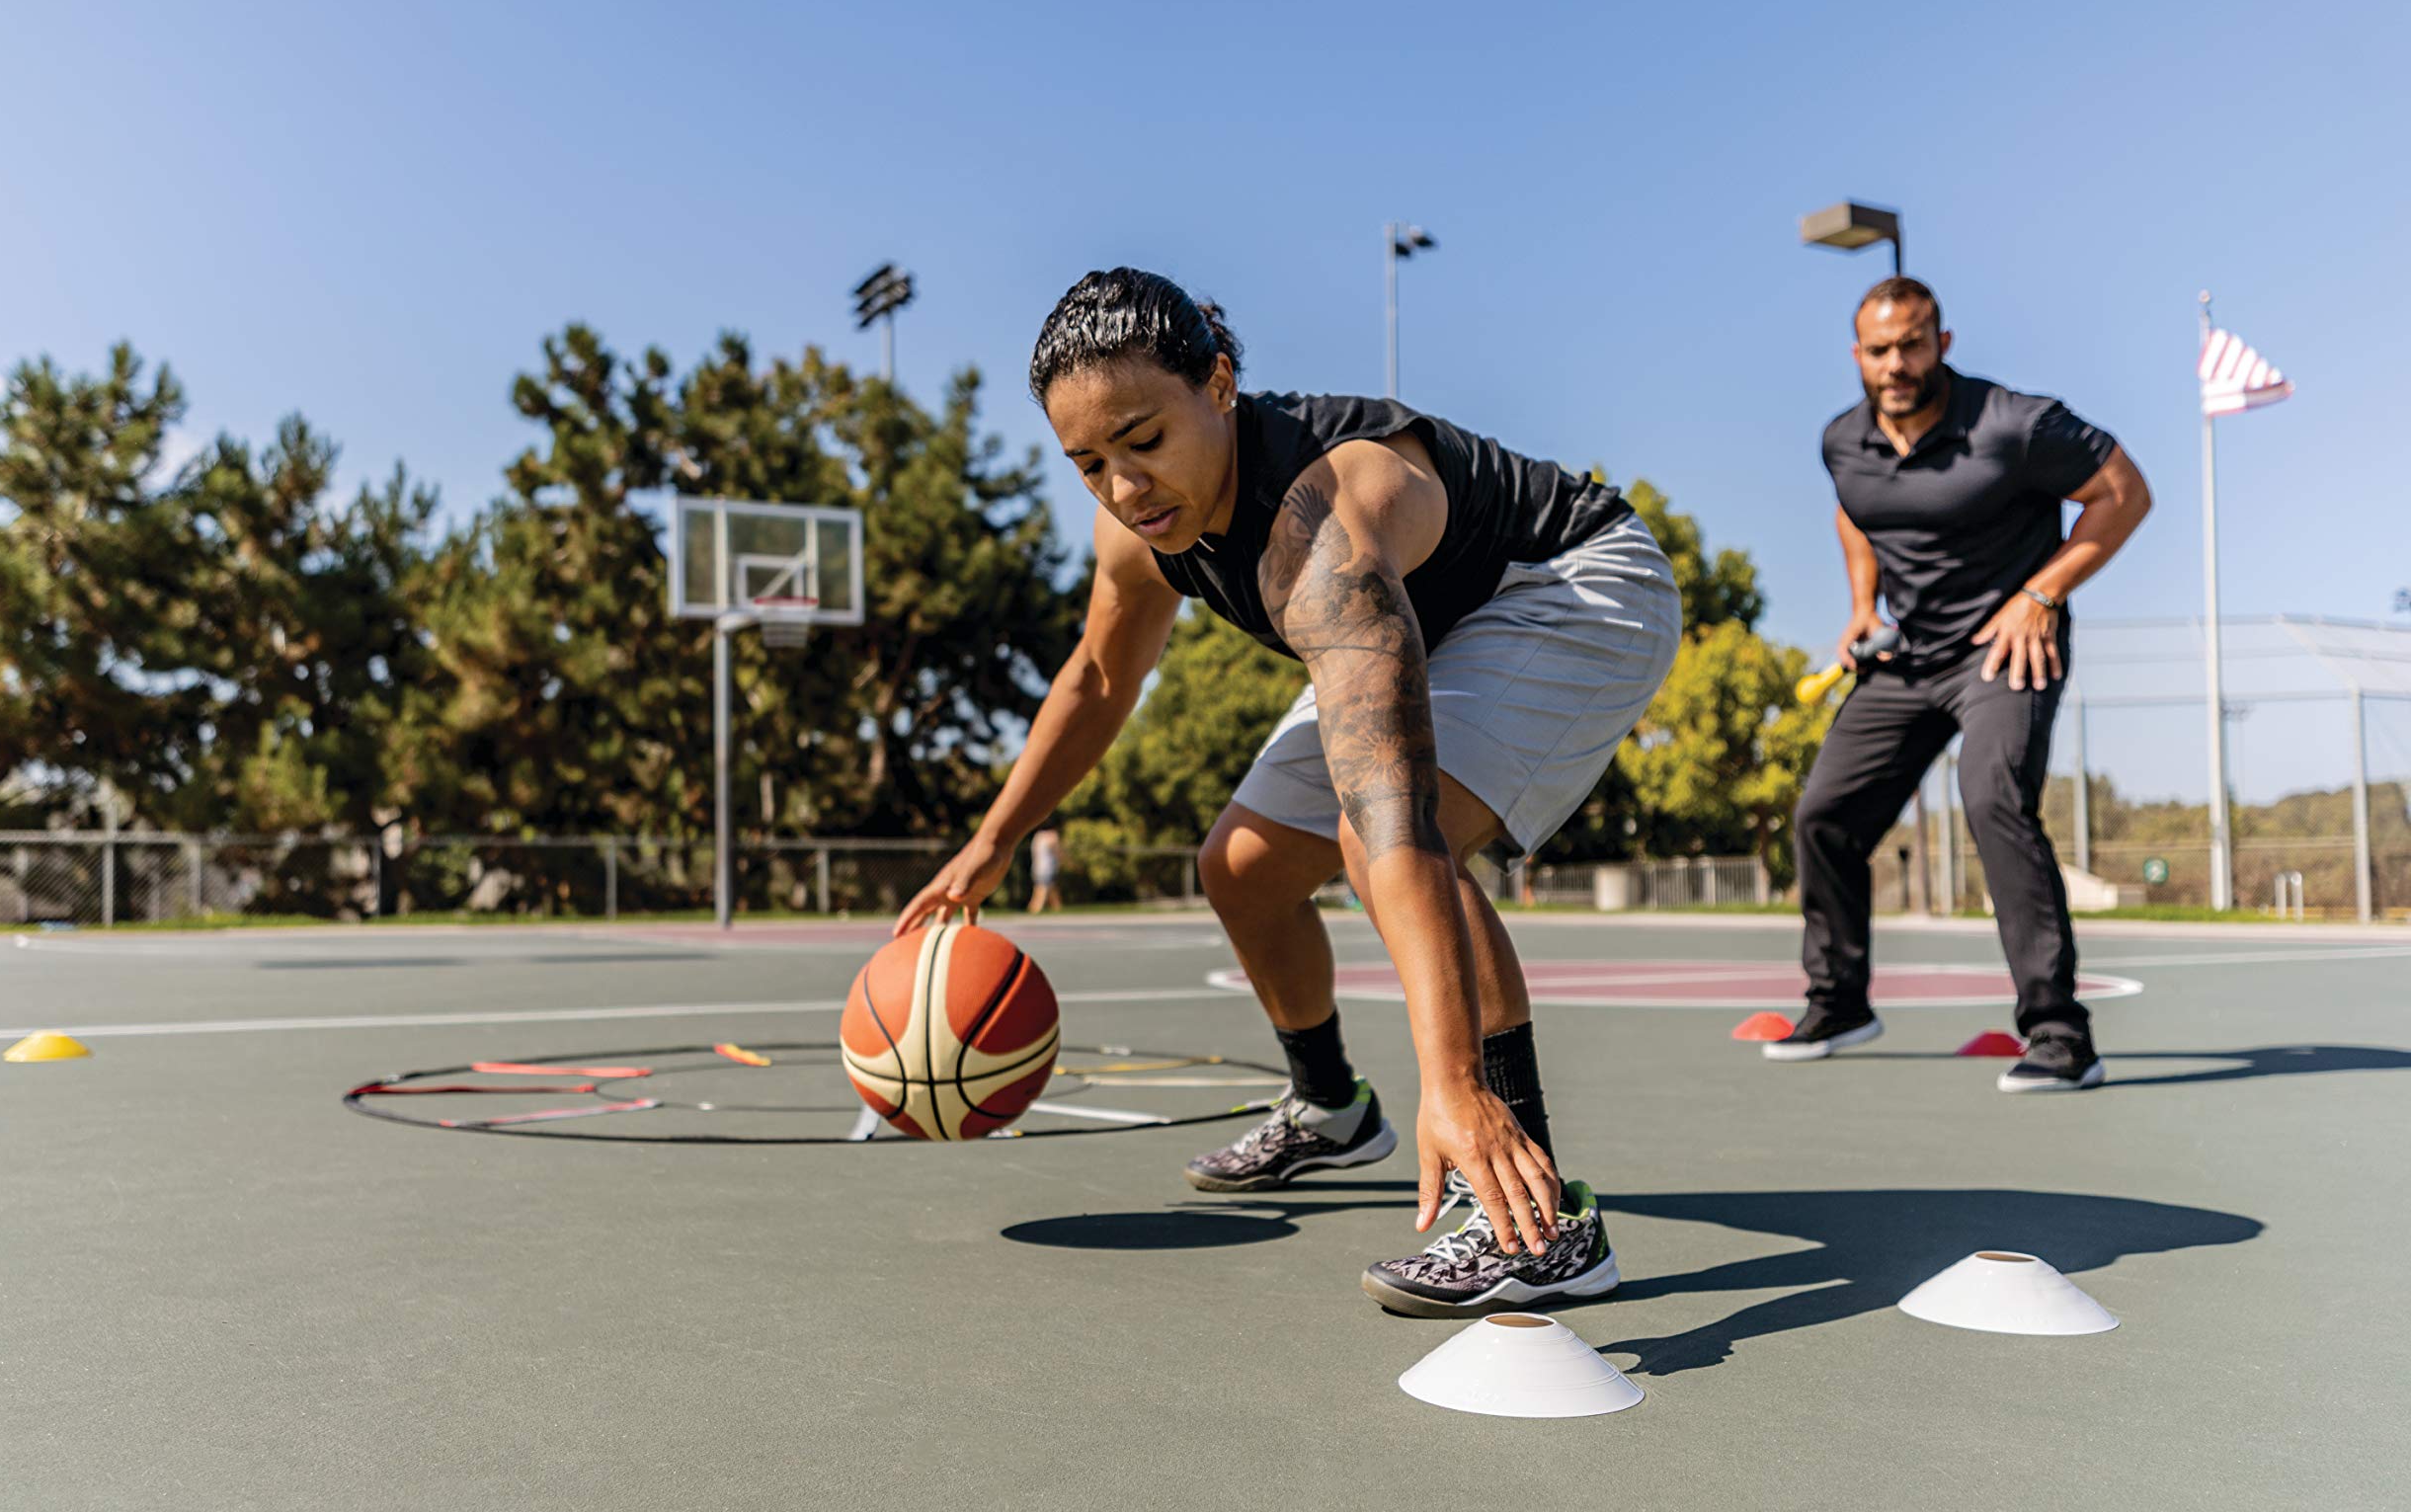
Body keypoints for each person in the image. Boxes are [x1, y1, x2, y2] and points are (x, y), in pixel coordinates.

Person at [895, 269, 1679, 1314]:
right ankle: (1332, 1109)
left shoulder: (1325, 527)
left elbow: (1395, 821)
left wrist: (1451, 1084)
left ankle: (1540, 1224)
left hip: (1568, 589)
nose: (1124, 488)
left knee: (1380, 838)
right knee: (1242, 868)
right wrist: (994, 839)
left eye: (1143, 439)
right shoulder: (1138, 533)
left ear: (1217, 383)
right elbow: (1096, 677)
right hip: (1413, 628)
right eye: (1088, 463)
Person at [1772, 277, 2153, 1092]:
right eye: (1880, 350)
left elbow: (2124, 493)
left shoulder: (2016, 424)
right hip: (1907, 655)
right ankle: (1839, 1003)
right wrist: (1861, 605)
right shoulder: (1843, 440)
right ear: (1857, 356)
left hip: (2006, 648)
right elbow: (1855, 510)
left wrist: (2041, 594)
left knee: (1992, 799)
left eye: (1913, 343)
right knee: (1824, 815)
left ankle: (2059, 1034)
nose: (1897, 363)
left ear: (1942, 343)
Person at [1026, 828, 1064, 914]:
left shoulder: (1038, 836)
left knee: (1052, 889)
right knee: (1041, 892)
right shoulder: (1051, 836)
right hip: (1046, 869)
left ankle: (1057, 908)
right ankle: (1034, 911)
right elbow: (1057, 851)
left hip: (1037, 868)